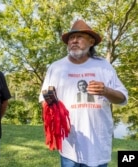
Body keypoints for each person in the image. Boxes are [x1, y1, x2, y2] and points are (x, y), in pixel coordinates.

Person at [39, 19, 128, 167]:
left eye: (79, 37)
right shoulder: (56, 68)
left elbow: (122, 98)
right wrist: (52, 104)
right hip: (70, 144)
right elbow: (44, 100)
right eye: (71, 38)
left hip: (97, 145)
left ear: (91, 41)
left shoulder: (103, 67)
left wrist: (106, 91)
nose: (74, 41)